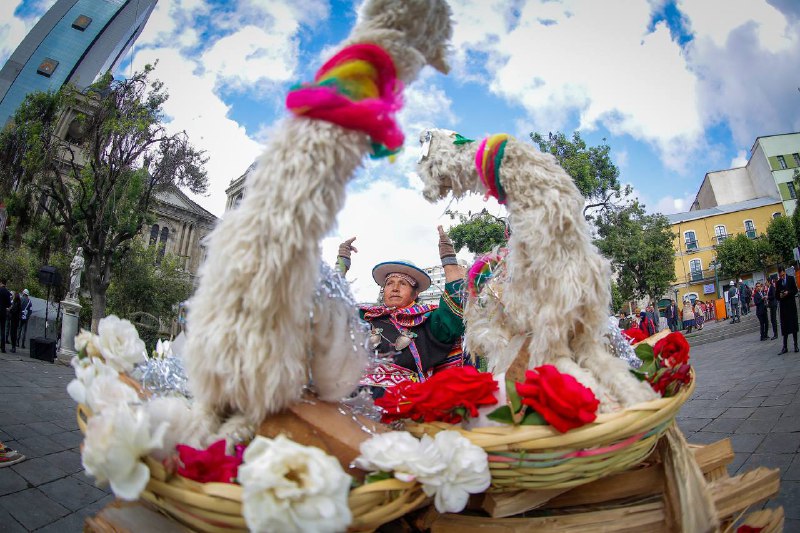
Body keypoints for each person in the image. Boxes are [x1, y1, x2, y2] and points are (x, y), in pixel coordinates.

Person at [337, 227, 466, 393]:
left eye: (403, 283)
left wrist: (449, 260)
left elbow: (454, 311)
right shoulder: (366, 316)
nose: (395, 288)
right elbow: (331, 308)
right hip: (355, 399)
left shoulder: (429, 320)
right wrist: (342, 263)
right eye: (390, 283)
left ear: (416, 293)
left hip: (405, 403)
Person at [776, 265, 798, 354]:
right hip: (783, 307)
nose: (782, 277)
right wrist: (780, 296)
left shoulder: (791, 279)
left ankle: (796, 345)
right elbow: (776, 295)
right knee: (784, 327)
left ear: (785, 272)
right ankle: (785, 346)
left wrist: (788, 292)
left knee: (793, 326)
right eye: (780, 276)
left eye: (783, 275)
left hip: (791, 305)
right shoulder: (778, 283)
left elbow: (795, 290)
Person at [0, 279, 10, 354]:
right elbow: (9, 304)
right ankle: (3, 348)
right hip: (3, 312)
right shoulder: (7, 292)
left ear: (1, 283)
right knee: (2, 329)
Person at [768, 276, 778, 340]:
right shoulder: (770, 287)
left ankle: (775, 334)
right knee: (772, 319)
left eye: (766, 282)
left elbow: (773, 296)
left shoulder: (772, 287)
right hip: (772, 305)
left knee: (773, 319)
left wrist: (767, 297)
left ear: (769, 282)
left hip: (773, 305)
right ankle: (775, 333)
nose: (765, 283)